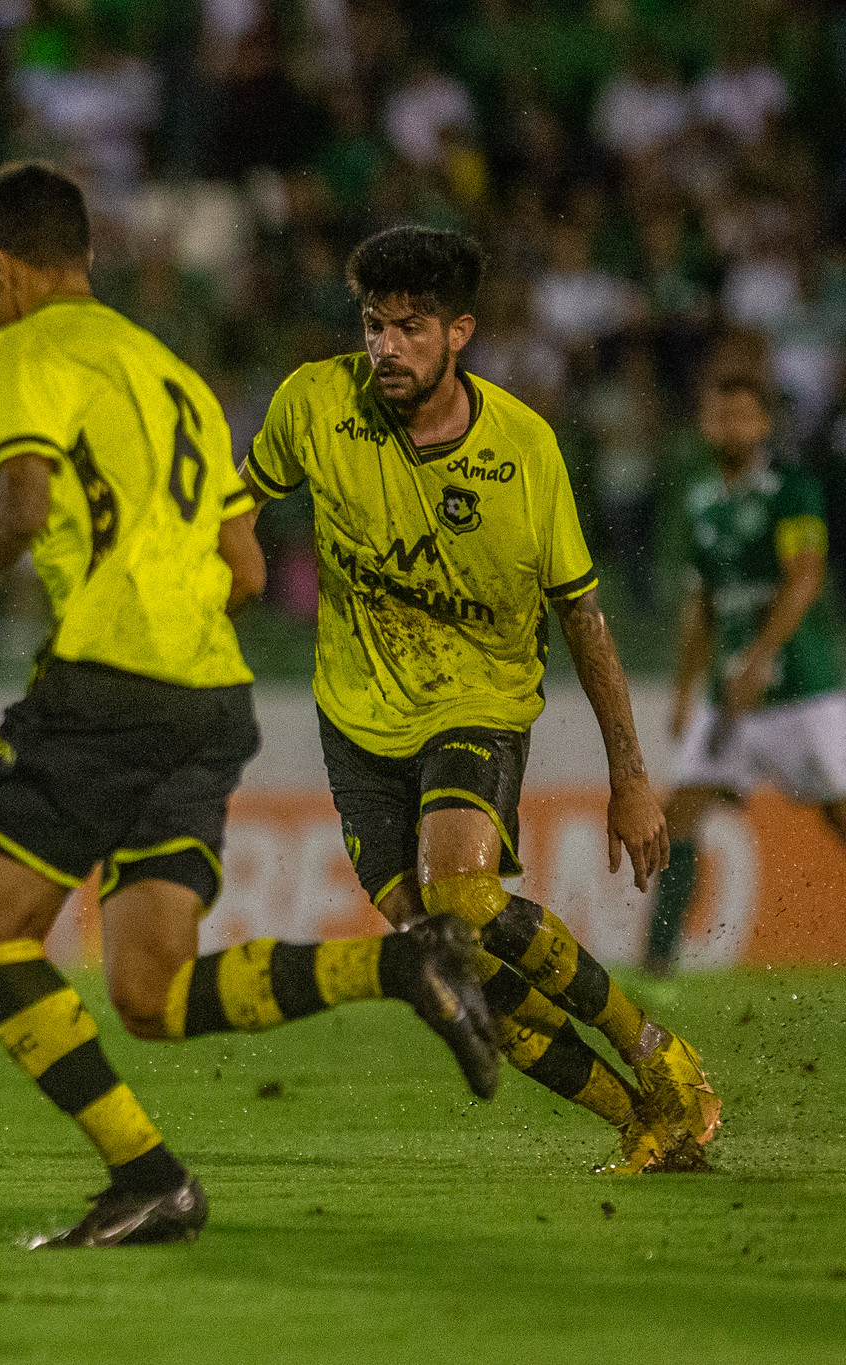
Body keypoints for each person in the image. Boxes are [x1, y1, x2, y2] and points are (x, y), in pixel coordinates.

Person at [0, 164, 499, 1250]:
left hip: (112, 680)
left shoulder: (25, 349)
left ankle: (149, 1176)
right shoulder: (173, 376)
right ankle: (397, 960)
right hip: (209, 696)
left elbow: (21, 506)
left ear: (0, 271)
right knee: (148, 992)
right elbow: (245, 568)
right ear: (89, 262)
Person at [240, 224, 715, 1173]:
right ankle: (639, 1119)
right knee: (442, 958)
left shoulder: (523, 450)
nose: (386, 348)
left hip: (477, 700)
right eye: (374, 326)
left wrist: (630, 774)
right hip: (355, 718)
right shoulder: (313, 405)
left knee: (462, 890)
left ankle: (656, 1046)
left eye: (412, 328)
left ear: (460, 333)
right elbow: (233, 508)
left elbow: (584, 618)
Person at [646, 369, 846, 974]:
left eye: (739, 416)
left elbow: (805, 578)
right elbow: (701, 605)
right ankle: (657, 971)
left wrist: (759, 656)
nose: (726, 426)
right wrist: (684, 692)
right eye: (716, 415)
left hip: (802, 692)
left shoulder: (793, 489)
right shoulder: (702, 499)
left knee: (839, 815)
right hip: (727, 698)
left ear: (762, 424)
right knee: (678, 813)